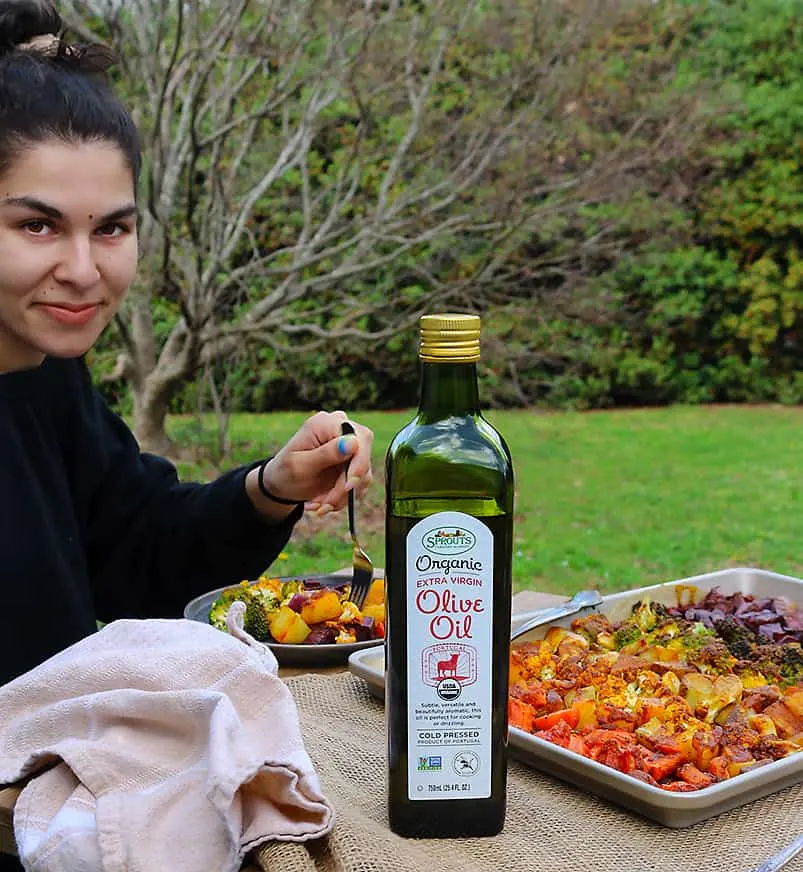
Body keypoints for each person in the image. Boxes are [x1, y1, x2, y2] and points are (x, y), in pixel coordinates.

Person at [0, 0, 374, 691]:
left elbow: (137, 552)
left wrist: (271, 488)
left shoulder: (45, 376)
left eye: (111, 229)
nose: (84, 270)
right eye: (37, 227)